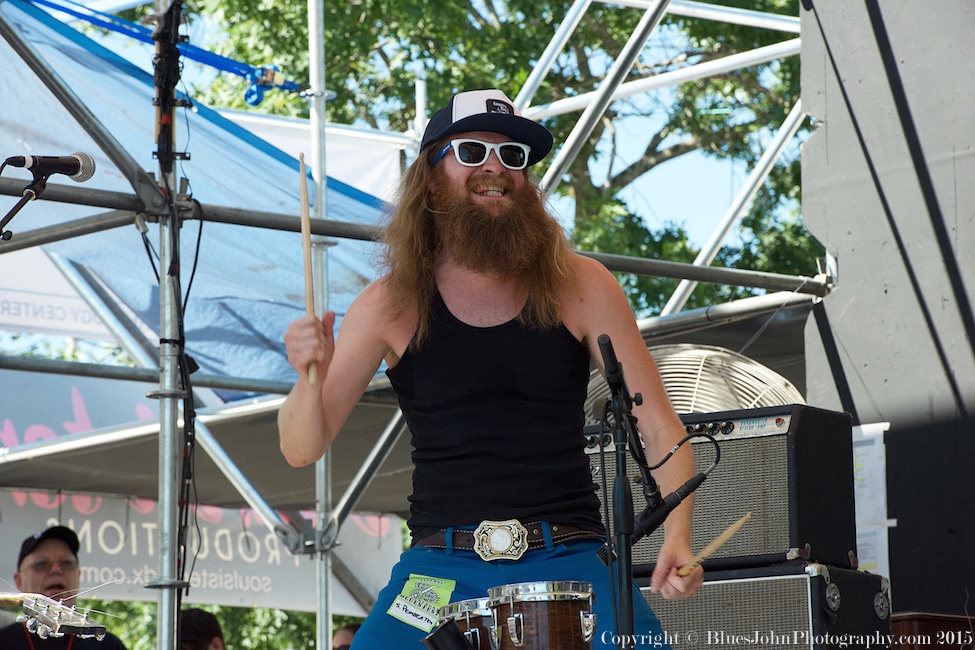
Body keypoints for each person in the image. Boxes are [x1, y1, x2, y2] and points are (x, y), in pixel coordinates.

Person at [279, 88, 704, 649]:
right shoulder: (389, 303)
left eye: (512, 156)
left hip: (570, 552)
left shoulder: (581, 285)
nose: (495, 168)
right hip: (437, 568)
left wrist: (679, 535)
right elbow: (301, 448)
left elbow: (657, 424)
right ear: (430, 178)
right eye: (472, 151)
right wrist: (306, 375)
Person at [0, 525, 127, 649]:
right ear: (19, 581)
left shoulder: (108, 645)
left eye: (66, 563)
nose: (56, 570)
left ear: (78, 575)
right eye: (41, 564)